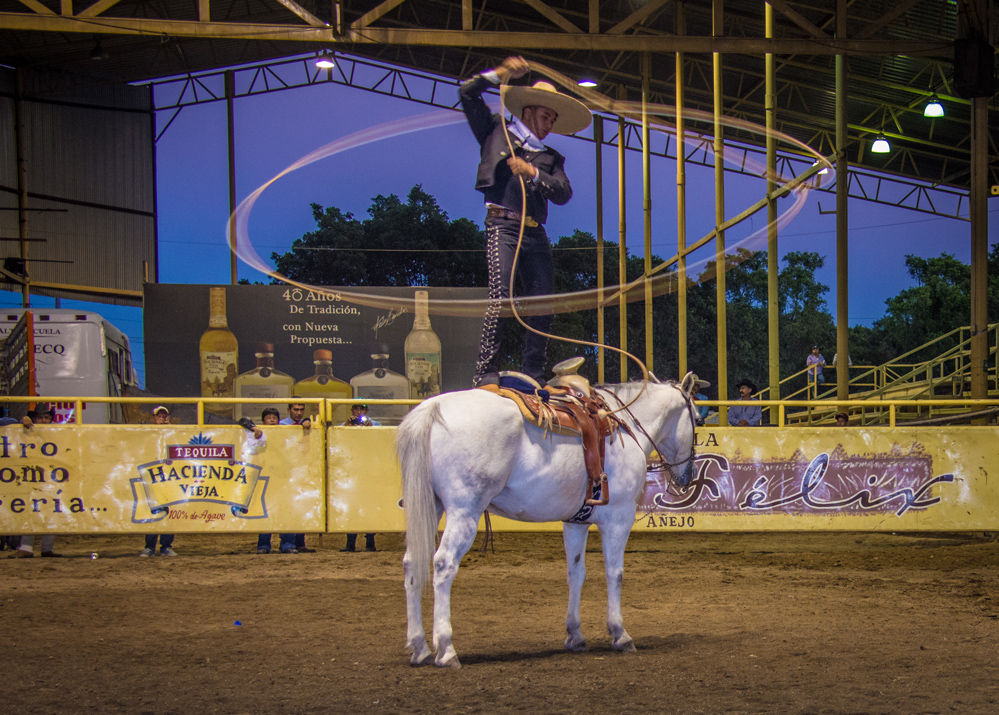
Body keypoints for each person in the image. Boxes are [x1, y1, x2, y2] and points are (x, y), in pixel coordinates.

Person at [459, 55, 592, 386]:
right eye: (545, 116)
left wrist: (532, 173)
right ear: (529, 110)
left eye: (553, 119)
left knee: (542, 303)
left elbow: (562, 192)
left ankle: (533, 373)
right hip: (502, 226)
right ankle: (485, 371)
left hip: (535, 233)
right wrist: (500, 74)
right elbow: (467, 93)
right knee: (500, 297)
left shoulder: (550, 159)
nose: (548, 125)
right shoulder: (495, 132)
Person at [260, 403, 315, 553]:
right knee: (269, 509)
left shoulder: (286, 428)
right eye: (268, 418)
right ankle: (266, 544)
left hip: (288, 473)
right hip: (272, 474)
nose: (272, 421)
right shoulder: (278, 428)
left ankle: (291, 543)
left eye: (274, 418)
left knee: (290, 508)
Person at [10, 404, 60, 558]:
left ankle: (45, 548)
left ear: (50, 419)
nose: (43, 421)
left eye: (46, 418)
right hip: (33, 475)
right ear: (34, 419)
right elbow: (10, 427)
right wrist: (22, 422)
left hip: (51, 476)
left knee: (51, 511)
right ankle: (27, 546)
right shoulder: (27, 430)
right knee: (31, 509)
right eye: (40, 418)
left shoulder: (58, 432)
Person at [141, 405, 178, 557]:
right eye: (159, 416)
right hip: (153, 475)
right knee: (153, 512)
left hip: (171, 476)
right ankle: (150, 546)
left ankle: (166, 545)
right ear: (154, 418)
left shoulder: (174, 433)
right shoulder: (148, 434)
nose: (162, 419)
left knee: (169, 512)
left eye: (164, 416)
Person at [341, 404, 377, 552]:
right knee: (351, 506)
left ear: (366, 411)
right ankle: (350, 543)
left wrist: (370, 427)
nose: (359, 412)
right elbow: (340, 440)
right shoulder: (343, 425)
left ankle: (370, 542)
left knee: (370, 506)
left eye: (361, 409)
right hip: (351, 469)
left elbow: (378, 442)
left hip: (369, 469)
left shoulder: (376, 425)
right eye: (356, 409)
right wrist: (348, 425)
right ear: (352, 411)